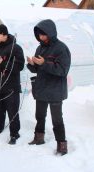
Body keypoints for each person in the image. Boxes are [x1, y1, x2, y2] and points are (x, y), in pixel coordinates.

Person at [26, 19, 71, 155]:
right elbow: (37, 70)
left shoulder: (61, 48)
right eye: (39, 35)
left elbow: (63, 70)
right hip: (41, 88)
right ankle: (39, 138)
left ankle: (62, 144)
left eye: (43, 34)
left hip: (56, 90)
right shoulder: (40, 48)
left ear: (50, 33)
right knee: (40, 115)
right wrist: (31, 64)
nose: (41, 37)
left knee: (57, 119)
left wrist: (44, 63)